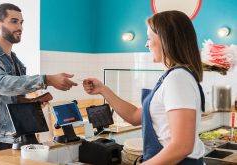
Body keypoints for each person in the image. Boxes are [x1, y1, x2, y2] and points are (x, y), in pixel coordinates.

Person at [83, 10, 205, 165]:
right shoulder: (172, 77)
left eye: (149, 38)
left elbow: (182, 146)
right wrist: (102, 89)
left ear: (165, 40)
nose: (146, 44)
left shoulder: (178, 79)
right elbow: (135, 116)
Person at [0, 3, 77, 155]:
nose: (20, 27)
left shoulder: (16, 61)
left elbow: (13, 98)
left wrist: (32, 103)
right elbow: (1, 84)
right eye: (14, 21)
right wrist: (47, 80)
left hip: (14, 137)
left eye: (21, 22)